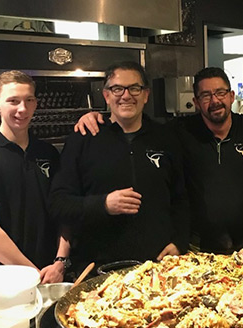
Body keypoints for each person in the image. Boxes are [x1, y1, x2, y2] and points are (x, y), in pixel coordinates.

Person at [75, 66, 243, 254]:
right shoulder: (178, 132)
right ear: (196, 102)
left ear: (232, 96)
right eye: (206, 96)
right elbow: (136, 121)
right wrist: (98, 117)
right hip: (197, 248)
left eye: (220, 93)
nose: (215, 100)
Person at [49, 61, 189, 275]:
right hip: (98, 271)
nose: (126, 95)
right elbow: (58, 204)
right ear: (106, 96)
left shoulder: (167, 139)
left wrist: (179, 242)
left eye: (134, 88)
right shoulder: (84, 138)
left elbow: (181, 198)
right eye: (117, 89)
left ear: (146, 95)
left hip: (157, 269)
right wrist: (102, 204)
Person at [0, 70, 70, 283]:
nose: (22, 109)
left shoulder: (48, 153)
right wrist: (34, 274)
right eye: (13, 101)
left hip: (53, 274)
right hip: (4, 281)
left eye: (28, 100)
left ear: (35, 103)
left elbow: (63, 212)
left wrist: (60, 262)